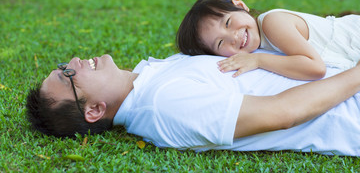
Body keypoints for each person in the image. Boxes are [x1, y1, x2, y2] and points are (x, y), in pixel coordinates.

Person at [27, 50, 360, 156]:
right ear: (95, 110)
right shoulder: (164, 106)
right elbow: (283, 113)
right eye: (67, 74)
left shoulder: (150, 77)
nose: (73, 60)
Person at [176, 0, 360, 80]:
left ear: (240, 5)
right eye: (220, 43)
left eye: (228, 23)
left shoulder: (272, 23)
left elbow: (315, 68)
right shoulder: (260, 42)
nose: (234, 37)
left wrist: (258, 60)